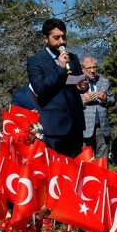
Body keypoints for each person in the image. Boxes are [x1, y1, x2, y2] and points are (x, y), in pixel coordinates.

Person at [26, 18, 88, 158]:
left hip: (75, 124)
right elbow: (40, 88)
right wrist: (60, 68)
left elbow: (78, 82)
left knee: (75, 171)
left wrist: (83, 86)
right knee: (55, 171)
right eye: (56, 37)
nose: (61, 42)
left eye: (63, 37)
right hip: (54, 126)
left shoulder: (73, 58)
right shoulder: (35, 61)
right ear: (45, 39)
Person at [81, 56, 115, 159]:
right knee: (86, 161)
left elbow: (113, 100)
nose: (92, 71)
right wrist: (83, 101)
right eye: (89, 68)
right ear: (82, 69)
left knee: (102, 162)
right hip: (85, 128)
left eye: (94, 67)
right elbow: (70, 103)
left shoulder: (104, 81)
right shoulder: (77, 83)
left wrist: (105, 99)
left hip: (102, 128)